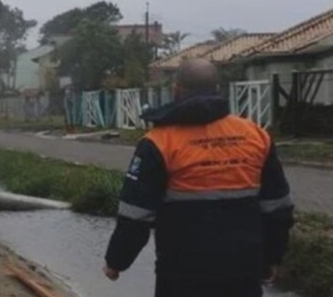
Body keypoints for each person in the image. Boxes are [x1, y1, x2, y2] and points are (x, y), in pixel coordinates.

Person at [103, 58, 294, 297]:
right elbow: (277, 208)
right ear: (218, 89)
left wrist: (116, 261)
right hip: (243, 268)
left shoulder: (158, 142)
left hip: (182, 272)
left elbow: (136, 213)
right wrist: (273, 257)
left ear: (177, 90)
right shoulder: (256, 136)